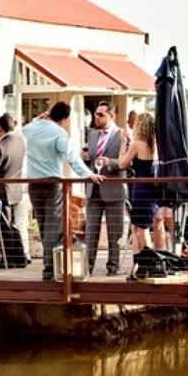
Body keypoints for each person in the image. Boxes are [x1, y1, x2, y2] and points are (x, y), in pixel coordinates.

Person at [24, 100, 95, 280]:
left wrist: (35, 119)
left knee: (43, 226)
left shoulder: (31, 129)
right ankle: (49, 270)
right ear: (64, 119)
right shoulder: (59, 133)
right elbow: (72, 157)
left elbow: (22, 130)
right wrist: (88, 174)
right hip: (53, 184)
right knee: (53, 228)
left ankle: (50, 265)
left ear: (49, 113)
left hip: (33, 184)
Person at [83, 99, 127, 275]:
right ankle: (87, 267)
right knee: (91, 230)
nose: (97, 117)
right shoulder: (92, 134)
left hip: (114, 190)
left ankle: (113, 267)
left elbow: (127, 163)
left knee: (114, 232)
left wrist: (111, 163)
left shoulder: (122, 135)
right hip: (93, 189)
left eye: (101, 114)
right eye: (96, 114)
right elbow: (91, 158)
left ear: (112, 115)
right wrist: (85, 157)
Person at [116, 111, 160, 253]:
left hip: (141, 189)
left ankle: (149, 261)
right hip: (154, 187)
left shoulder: (137, 144)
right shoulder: (157, 144)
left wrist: (123, 142)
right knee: (136, 226)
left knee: (142, 228)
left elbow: (122, 164)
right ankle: (137, 262)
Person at [0, 113, 30, 255]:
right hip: (18, 187)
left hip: (3, 190)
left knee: (5, 226)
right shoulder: (20, 140)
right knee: (17, 226)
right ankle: (20, 255)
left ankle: (9, 257)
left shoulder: (0, 146)